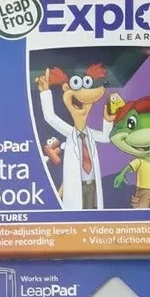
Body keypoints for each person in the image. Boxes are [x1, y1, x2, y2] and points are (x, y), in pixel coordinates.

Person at [36, 64, 113, 209]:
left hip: (92, 185)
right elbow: (50, 117)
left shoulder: (90, 134)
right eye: (78, 105)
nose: (82, 108)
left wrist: (108, 121)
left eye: (86, 104)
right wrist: (45, 92)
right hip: (76, 188)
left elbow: (105, 137)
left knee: (94, 214)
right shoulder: (70, 133)